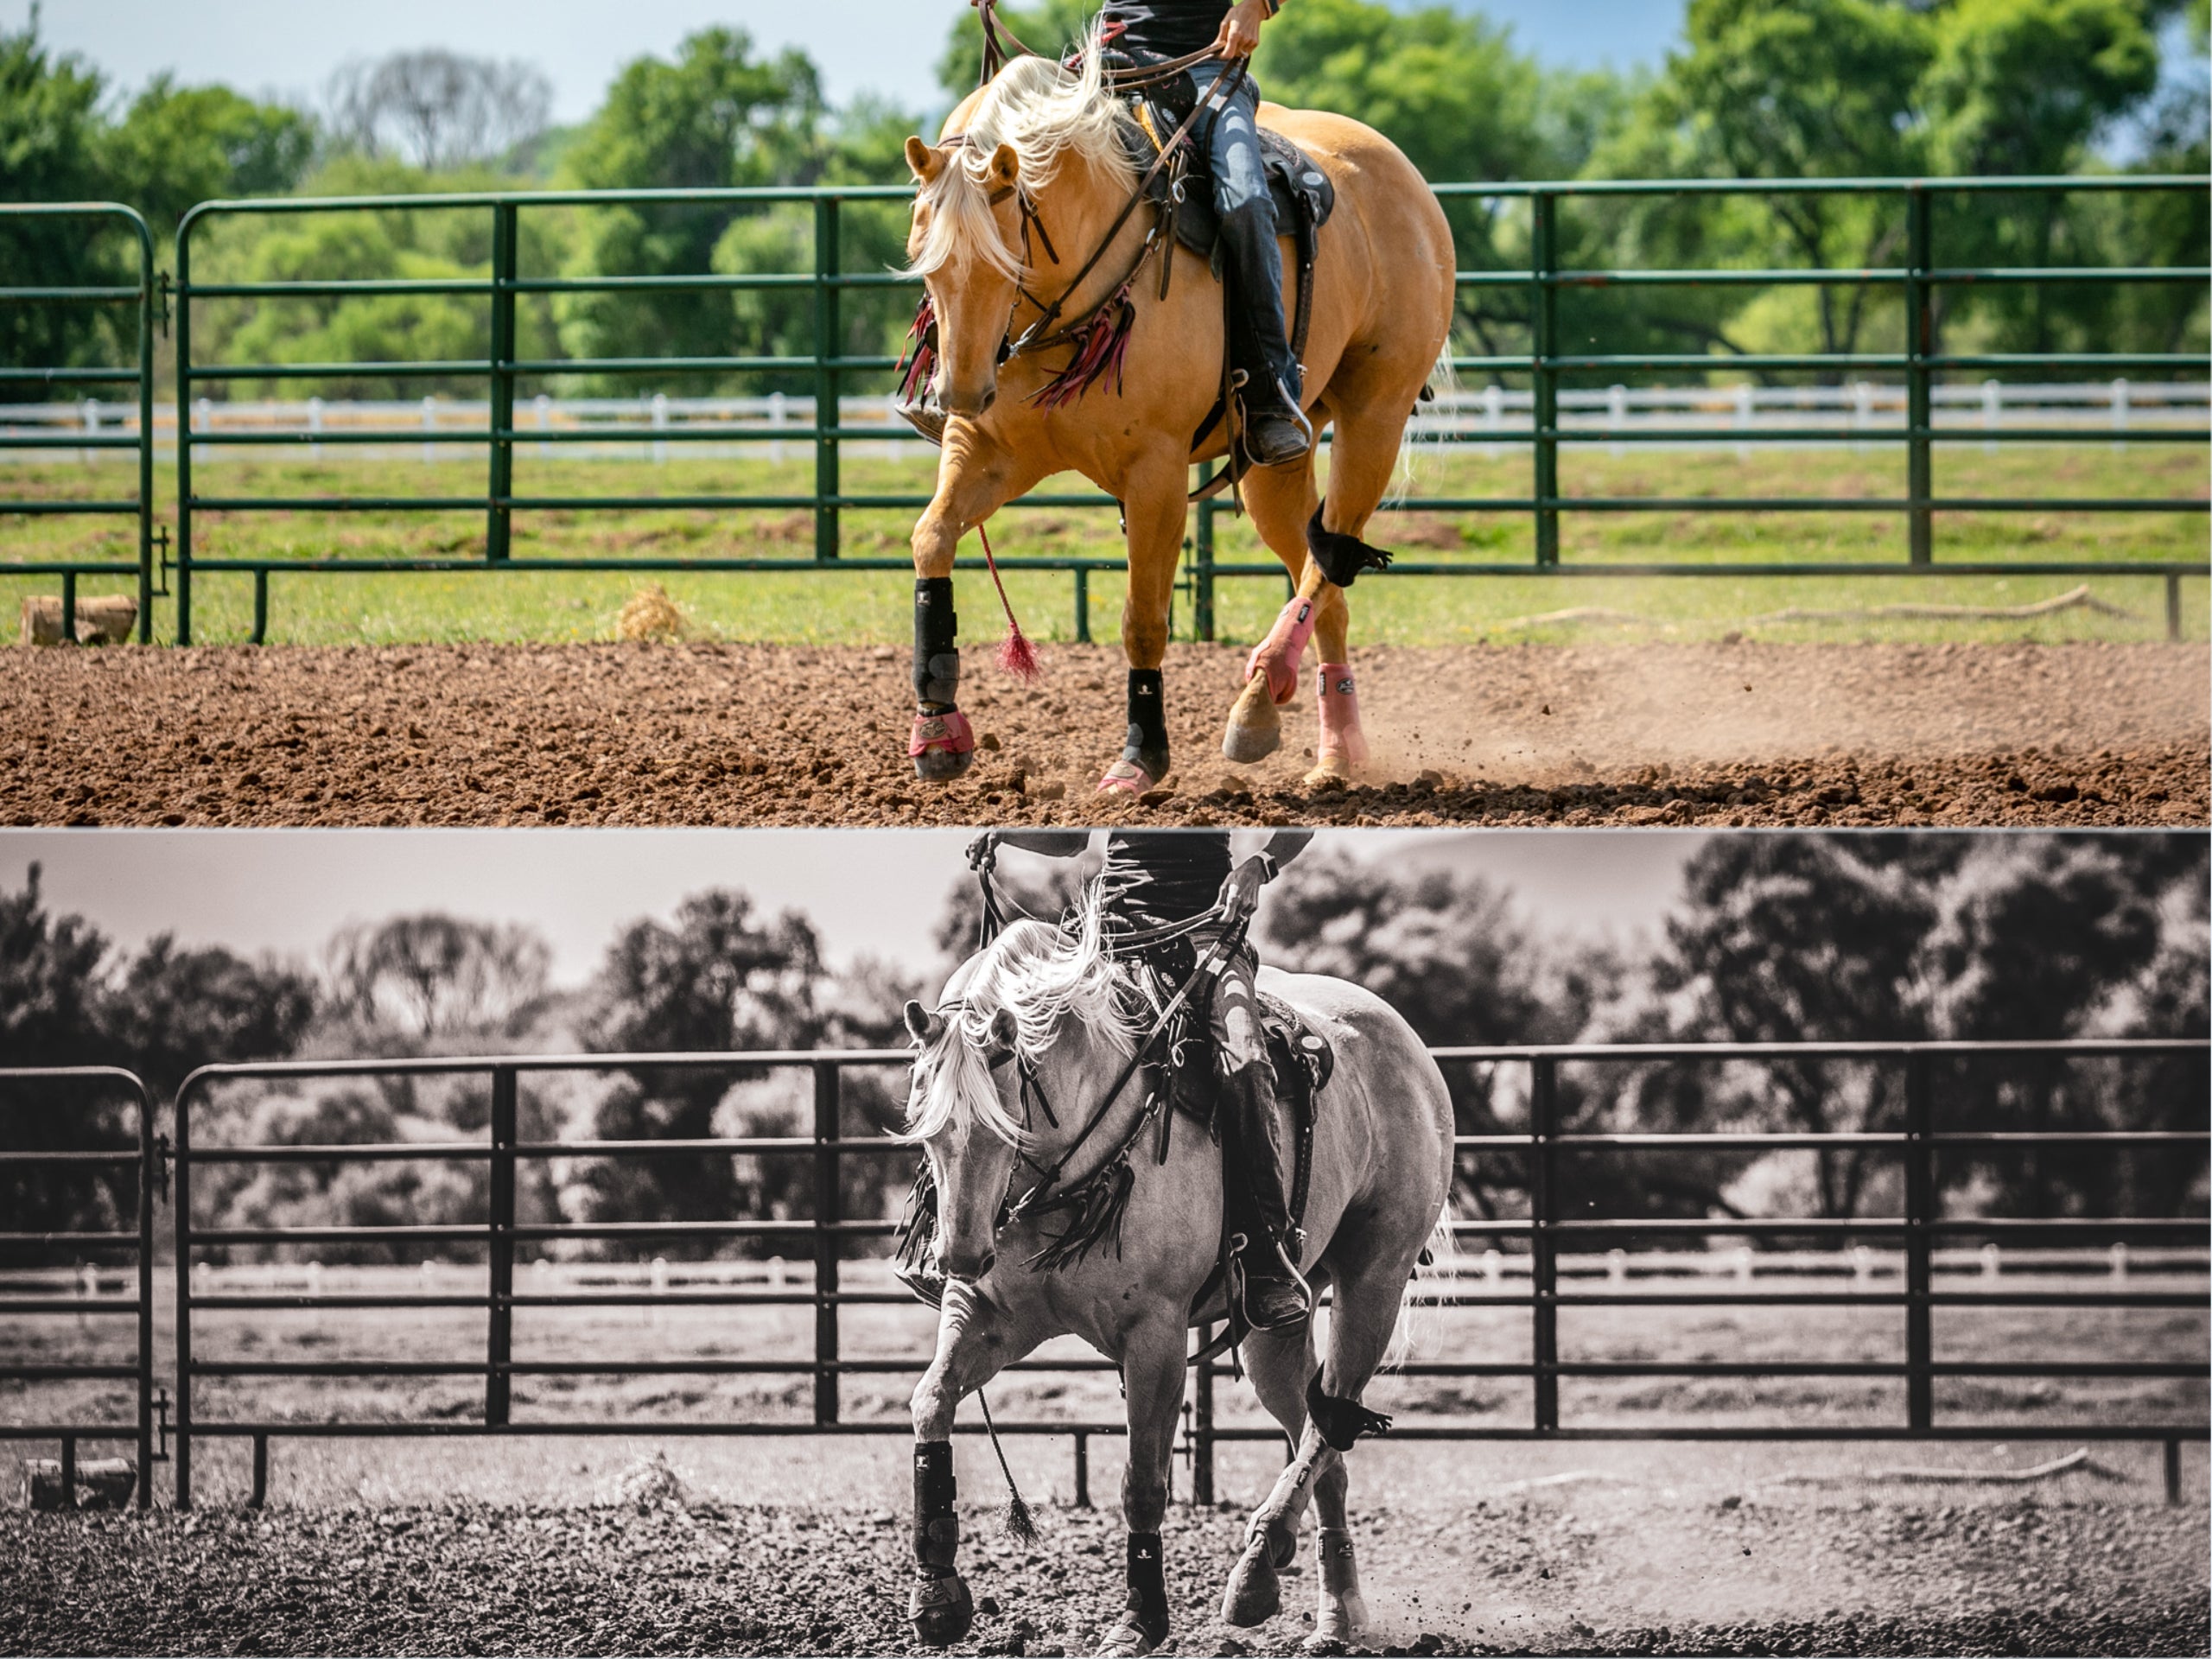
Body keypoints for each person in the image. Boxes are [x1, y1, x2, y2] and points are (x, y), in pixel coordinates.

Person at [976, 829, 1316, 1331]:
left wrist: (1260, 864)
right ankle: (961, 1234)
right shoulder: (1114, 761)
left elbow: (1299, 818)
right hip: (1112, 933)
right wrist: (1006, 833)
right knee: (998, 1042)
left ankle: (1267, 1254)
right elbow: (1072, 840)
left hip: (1207, 933)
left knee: (1246, 1065)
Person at [1097, 0, 1313, 467]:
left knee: (1247, 201)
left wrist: (1256, 6)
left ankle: (1270, 393)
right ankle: (954, 374)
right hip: (1108, 63)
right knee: (1006, 167)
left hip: (1205, 67)